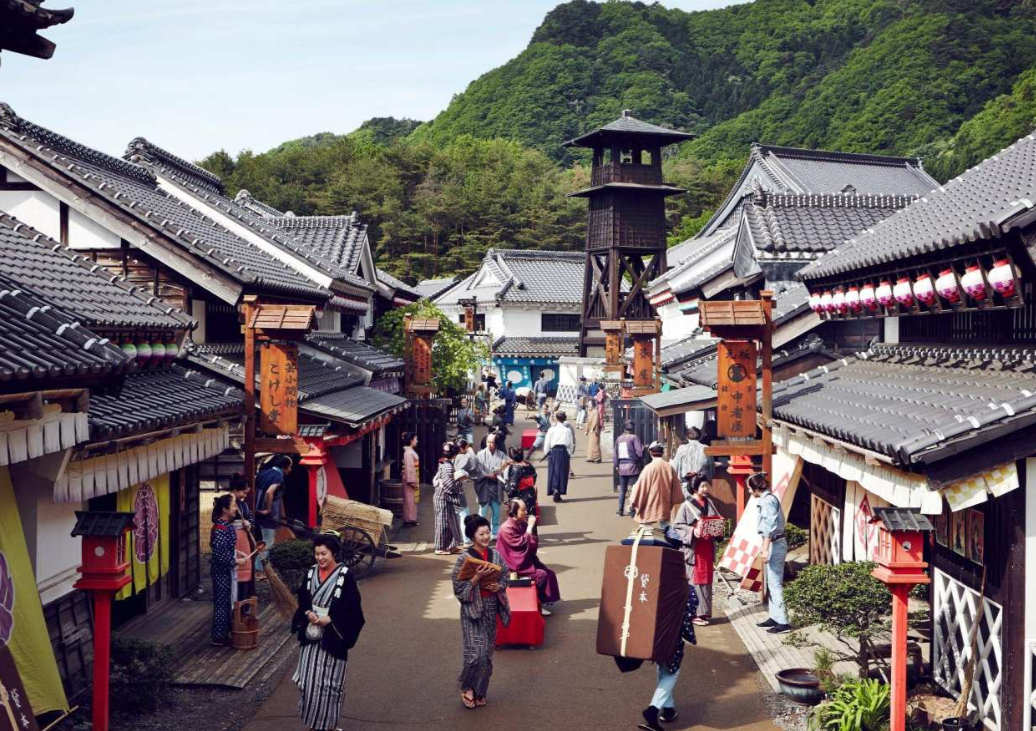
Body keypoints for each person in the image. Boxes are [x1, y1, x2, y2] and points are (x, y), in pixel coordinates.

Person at [291, 533, 365, 731]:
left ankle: (328, 726)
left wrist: (331, 618)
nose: (320, 558)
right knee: (307, 682)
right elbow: (304, 597)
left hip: (333, 636)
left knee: (328, 685)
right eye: (317, 554)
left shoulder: (344, 576)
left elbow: (353, 608)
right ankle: (315, 724)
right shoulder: (311, 572)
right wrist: (307, 612)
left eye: (324, 554)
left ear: (334, 553)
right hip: (311, 634)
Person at [451, 515, 511, 709]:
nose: (486, 537)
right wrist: (476, 578)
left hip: (490, 606)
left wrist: (497, 587)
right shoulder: (464, 558)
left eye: (487, 532)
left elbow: (505, 575)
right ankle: (467, 686)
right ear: (472, 536)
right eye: (481, 533)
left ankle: (479, 691)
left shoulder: (495, 555)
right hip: (472, 609)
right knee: (474, 653)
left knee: (486, 654)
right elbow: (458, 588)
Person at [639, 587, 699, 731]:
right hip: (672, 637)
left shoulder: (653, 583)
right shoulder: (685, 589)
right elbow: (689, 612)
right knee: (671, 673)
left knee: (663, 668)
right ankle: (653, 710)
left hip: (654, 635)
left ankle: (668, 709)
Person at [670, 477, 721, 625]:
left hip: (707, 547)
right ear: (694, 488)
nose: (706, 489)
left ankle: (704, 612)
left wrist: (717, 528)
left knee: (706, 580)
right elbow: (678, 526)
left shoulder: (709, 503)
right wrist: (692, 530)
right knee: (695, 580)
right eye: (703, 486)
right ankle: (694, 614)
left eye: (706, 486)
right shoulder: (686, 506)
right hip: (694, 548)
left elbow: (716, 519)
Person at [497, 499, 560, 612]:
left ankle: (544, 601)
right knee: (541, 575)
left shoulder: (521, 523)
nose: (526, 512)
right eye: (523, 510)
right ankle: (538, 604)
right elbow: (520, 545)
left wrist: (531, 534)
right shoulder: (506, 528)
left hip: (523, 561)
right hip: (512, 568)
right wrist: (530, 528)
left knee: (549, 573)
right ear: (514, 511)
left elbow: (530, 543)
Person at [751, 472, 791, 634]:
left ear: (755, 488)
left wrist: (765, 548)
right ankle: (775, 616)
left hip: (775, 543)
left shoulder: (767, 501)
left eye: (749, 488)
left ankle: (783, 621)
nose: (749, 491)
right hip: (774, 543)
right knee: (771, 581)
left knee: (774, 583)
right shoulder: (768, 499)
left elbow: (769, 526)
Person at [209, 494, 245, 647]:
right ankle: (218, 636)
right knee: (222, 603)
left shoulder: (226, 526)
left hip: (227, 571)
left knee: (228, 601)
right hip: (221, 572)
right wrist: (236, 561)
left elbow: (227, 548)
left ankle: (226, 631)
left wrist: (237, 552)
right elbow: (219, 554)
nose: (236, 509)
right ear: (225, 509)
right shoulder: (219, 529)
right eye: (233, 506)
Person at [628, 442, 683, 528]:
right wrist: (673, 501)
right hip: (665, 502)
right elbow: (676, 487)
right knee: (665, 527)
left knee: (646, 527)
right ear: (663, 452)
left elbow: (641, 488)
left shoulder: (648, 468)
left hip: (649, 503)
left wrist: (633, 502)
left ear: (650, 453)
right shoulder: (669, 467)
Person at [255, 455, 291, 574]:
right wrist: (268, 509)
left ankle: (260, 567)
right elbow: (269, 492)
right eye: (290, 467)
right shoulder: (278, 476)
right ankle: (260, 569)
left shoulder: (263, 473)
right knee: (268, 542)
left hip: (257, 510)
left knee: (263, 539)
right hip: (267, 515)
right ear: (284, 467)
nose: (290, 470)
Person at [434, 442, 465, 555]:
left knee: (450, 521)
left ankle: (451, 545)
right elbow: (450, 485)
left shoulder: (445, 463)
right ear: (454, 454)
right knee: (443, 522)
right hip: (443, 496)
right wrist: (460, 481)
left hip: (446, 496)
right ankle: (440, 547)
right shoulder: (447, 466)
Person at [473, 434, 507, 537]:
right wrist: (487, 475)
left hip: (496, 486)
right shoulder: (480, 454)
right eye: (488, 442)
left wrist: (503, 466)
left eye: (492, 442)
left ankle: (495, 532)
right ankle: (479, 532)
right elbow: (477, 469)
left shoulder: (501, 454)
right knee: (482, 512)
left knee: (496, 513)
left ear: (496, 444)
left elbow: (507, 464)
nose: (490, 444)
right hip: (484, 486)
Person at [229, 474, 255, 602]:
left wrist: (249, 524)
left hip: (243, 537)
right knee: (234, 567)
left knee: (245, 564)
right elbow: (217, 518)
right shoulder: (225, 501)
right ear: (235, 489)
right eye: (243, 492)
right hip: (231, 538)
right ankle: (233, 604)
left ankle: (243, 602)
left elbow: (251, 518)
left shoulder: (244, 505)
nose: (245, 496)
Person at [671, 427, 714, 500]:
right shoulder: (706, 448)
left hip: (686, 485)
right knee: (701, 506)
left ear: (687, 437)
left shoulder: (682, 449)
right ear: (700, 437)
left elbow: (675, 468)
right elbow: (712, 470)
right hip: (701, 485)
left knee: (689, 507)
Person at [614, 421, 644, 517]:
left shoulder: (619, 439)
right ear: (633, 428)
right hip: (632, 466)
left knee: (623, 490)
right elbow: (639, 452)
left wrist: (616, 465)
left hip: (622, 466)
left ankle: (620, 510)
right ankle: (633, 510)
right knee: (634, 489)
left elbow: (615, 454)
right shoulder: (634, 438)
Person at [544, 411, 575, 502]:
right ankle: (560, 490)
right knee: (563, 472)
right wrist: (569, 453)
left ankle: (554, 489)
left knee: (553, 471)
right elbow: (570, 444)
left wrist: (547, 453)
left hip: (553, 452)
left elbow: (547, 443)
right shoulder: (567, 430)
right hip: (563, 451)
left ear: (556, 419)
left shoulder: (551, 429)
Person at [454, 439, 477, 544]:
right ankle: (466, 539)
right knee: (464, 514)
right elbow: (473, 464)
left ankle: (455, 539)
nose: (468, 449)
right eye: (466, 447)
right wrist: (471, 451)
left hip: (450, 491)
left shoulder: (452, 458)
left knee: (453, 516)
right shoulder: (462, 457)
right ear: (462, 448)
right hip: (458, 491)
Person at [504, 447, 538, 516]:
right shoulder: (528, 465)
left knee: (522, 520)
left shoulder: (516, 469)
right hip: (531, 493)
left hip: (521, 497)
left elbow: (512, 489)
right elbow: (534, 477)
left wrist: (505, 484)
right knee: (531, 517)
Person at [401, 432, 421, 528]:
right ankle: (408, 520)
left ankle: (411, 519)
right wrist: (412, 481)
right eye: (415, 439)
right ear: (411, 441)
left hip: (413, 477)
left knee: (412, 500)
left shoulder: (409, 451)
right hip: (410, 480)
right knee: (409, 501)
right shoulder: (408, 453)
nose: (417, 441)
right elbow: (409, 469)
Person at [584, 397, 602, 463]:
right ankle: (590, 457)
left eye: (590, 404)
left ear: (593, 405)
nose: (588, 406)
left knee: (595, 443)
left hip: (595, 429)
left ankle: (597, 457)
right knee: (590, 443)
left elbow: (595, 421)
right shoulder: (590, 412)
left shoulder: (595, 412)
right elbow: (588, 422)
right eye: (588, 405)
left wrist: (592, 428)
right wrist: (586, 430)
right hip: (591, 429)